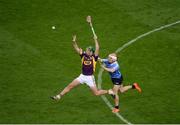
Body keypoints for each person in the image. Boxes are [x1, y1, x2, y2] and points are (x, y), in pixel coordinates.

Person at [51, 18, 114, 101]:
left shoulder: (94, 58)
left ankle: (109, 91)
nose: (86, 50)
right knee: (70, 86)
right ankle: (58, 96)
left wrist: (96, 40)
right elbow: (76, 48)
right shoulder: (83, 55)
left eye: (88, 50)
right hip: (82, 76)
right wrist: (74, 42)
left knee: (96, 93)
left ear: (91, 52)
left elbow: (98, 47)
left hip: (89, 78)